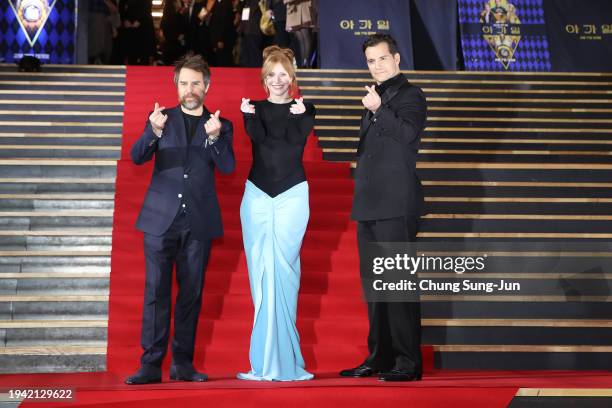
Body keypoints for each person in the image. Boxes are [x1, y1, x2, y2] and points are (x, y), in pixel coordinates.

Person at [126, 54, 235, 384]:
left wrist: (215, 139)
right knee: (156, 292)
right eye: (184, 83)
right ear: (176, 85)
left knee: (191, 294)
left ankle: (182, 364)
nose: (190, 89)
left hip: (198, 222)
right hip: (160, 220)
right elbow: (137, 157)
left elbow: (228, 167)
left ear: (207, 86)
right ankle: (150, 364)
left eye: (196, 83)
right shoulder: (160, 118)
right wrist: (153, 132)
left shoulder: (220, 124)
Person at [339, 33, 427, 382]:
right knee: (375, 286)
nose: (376, 66)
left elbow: (408, 135)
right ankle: (379, 356)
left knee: (399, 282)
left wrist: (379, 110)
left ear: (397, 59)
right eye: (371, 61)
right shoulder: (376, 97)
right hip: (370, 204)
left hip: (396, 202)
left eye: (382, 59)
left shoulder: (411, 95)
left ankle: (408, 362)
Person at [237, 45, 315, 381]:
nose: (278, 80)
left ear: (292, 77)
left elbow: (293, 142)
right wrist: (248, 114)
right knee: (261, 274)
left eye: (283, 74)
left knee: (284, 272)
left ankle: (287, 360)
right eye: (272, 75)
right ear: (264, 78)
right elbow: (260, 140)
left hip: (293, 195)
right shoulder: (253, 108)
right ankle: (263, 361)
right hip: (256, 195)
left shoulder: (305, 108)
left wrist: (298, 114)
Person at [283, 0, 313, 67]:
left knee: (305, 37)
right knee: (301, 40)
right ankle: (303, 64)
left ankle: (307, 63)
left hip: (303, 8)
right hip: (293, 10)